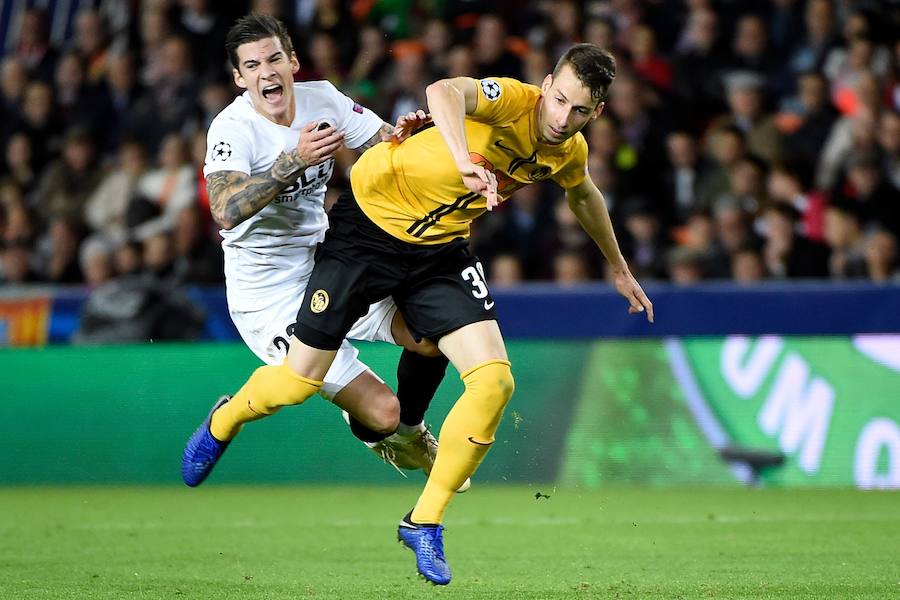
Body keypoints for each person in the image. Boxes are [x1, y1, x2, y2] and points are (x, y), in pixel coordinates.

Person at [183, 42, 653, 584]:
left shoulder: (568, 150)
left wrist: (617, 267)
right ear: (546, 84)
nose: (561, 118)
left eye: (578, 111)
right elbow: (444, 91)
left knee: (494, 380)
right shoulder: (512, 99)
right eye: (560, 100)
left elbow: (584, 194)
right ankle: (227, 418)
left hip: (439, 250)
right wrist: (461, 160)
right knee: (297, 383)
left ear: (596, 114)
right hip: (366, 231)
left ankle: (423, 520)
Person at [182, 14, 468, 490]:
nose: (267, 71)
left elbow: (384, 147)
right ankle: (224, 420)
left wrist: (409, 138)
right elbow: (225, 209)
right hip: (267, 295)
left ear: (292, 62)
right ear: (239, 78)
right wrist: (294, 161)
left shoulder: (324, 99)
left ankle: (410, 435)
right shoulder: (232, 129)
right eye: (252, 65)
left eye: (275, 58)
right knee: (377, 410)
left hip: (329, 264)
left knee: (430, 336)